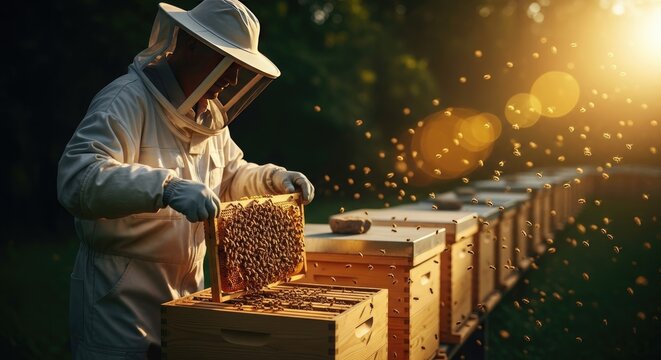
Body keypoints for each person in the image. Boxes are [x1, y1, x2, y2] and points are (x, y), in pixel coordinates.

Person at [57, 0, 314, 358]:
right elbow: (78, 179)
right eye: (227, 63)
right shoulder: (126, 100)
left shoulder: (207, 117)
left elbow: (230, 176)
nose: (233, 79)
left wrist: (273, 180)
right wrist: (165, 188)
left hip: (187, 299)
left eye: (239, 68)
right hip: (118, 301)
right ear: (191, 45)